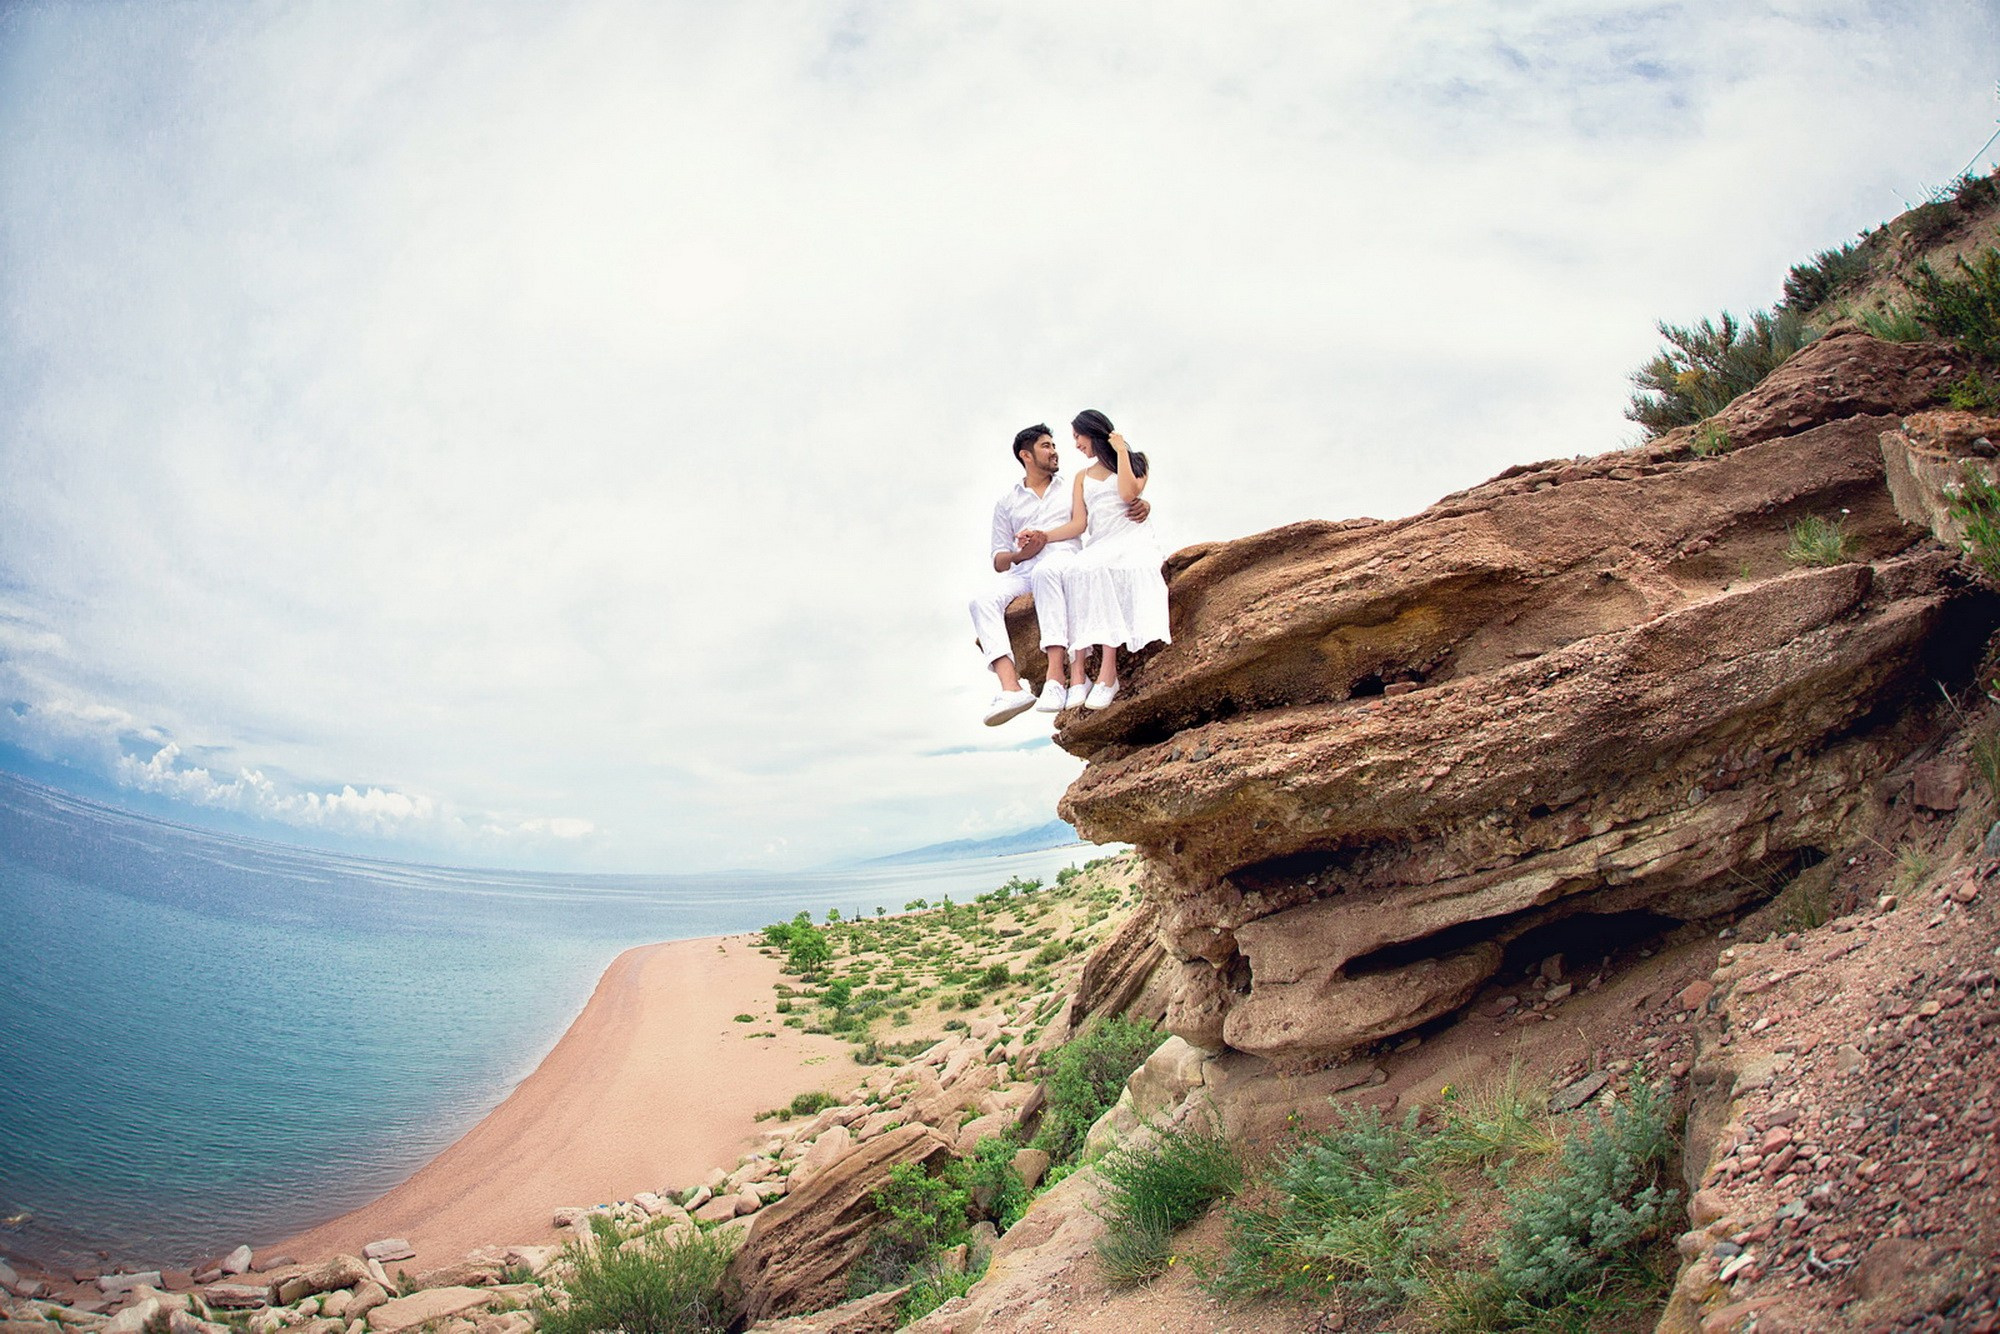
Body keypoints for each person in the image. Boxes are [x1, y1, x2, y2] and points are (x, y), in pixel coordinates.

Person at [968, 423, 1148, 724]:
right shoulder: (1007, 502)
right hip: (1024, 568)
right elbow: (999, 559)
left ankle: (1055, 676)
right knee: (980, 601)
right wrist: (1020, 554)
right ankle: (1011, 689)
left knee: (1047, 573)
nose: (1054, 452)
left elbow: (1108, 504)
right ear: (1026, 455)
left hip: (1064, 558)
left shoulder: (1072, 486)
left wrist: (1143, 504)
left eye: (1054, 446)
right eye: (1046, 446)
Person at [1021, 410, 1169, 711]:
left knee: (1104, 570)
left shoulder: (1136, 460)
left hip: (1132, 540)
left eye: (1078, 436)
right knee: (1079, 569)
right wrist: (1042, 536)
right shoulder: (1081, 477)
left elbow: (1129, 494)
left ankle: (1108, 674)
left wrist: (1121, 450)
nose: (1075, 444)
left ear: (1093, 432)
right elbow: (1078, 525)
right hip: (1101, 542)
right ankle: (1078, 677)